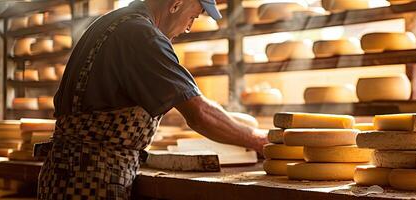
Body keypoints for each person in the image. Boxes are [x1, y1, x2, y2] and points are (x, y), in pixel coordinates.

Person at [37, 0, 267, 199]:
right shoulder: (142, 35)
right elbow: (199, 114)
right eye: (193, 16)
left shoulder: (109, 23)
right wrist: (260, 141)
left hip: (61, 171)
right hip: (94, 175)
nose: (189, 28)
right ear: (176, 4)